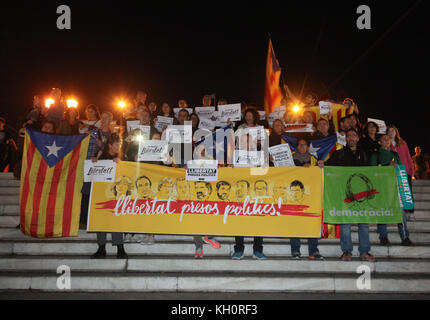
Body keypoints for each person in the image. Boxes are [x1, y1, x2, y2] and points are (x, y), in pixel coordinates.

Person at [324, 128, 375, 262]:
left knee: (363, 224)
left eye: (354, 136)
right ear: (345, 139)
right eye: (349, 136)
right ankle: (346, 252)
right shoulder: (338, 154)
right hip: (344, 195)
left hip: (362, 195)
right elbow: (328, 168)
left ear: (358, 138)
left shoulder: (365, 154)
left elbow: (373, 172)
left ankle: (364, 252)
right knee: (345, 223)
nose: (351, 138)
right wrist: (321, 164)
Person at [369, 134, 413, 246]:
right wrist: (387, 167)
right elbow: (372, 171)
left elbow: (401, 169)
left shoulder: (395, 154)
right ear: (379, 142)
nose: (387, 140)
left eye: (388, 139)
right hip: (382, 188)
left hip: (396, 187)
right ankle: (383, 237)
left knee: (401, 212)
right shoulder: (375, 155)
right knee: (383, 212)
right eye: (384, 139)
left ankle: (405, 237)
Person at [92, 133, 128, 259]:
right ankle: (101, 248)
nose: (119, 147)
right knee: (100, 221)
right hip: (101, 193)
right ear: (110, 145)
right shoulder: (102, 155)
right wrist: (95, 162)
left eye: (120, 144)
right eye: (116, 145)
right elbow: (94, 170)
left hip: (117, 195)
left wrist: (121, 163)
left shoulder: (123, 156)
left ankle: (120, 248)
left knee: (116, 221)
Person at [231, 179, 266, 260]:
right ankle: (239, 250)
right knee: (239, 222)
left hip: (255, 193)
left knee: (259, 221)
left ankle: (257, 250)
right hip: (241, 198)